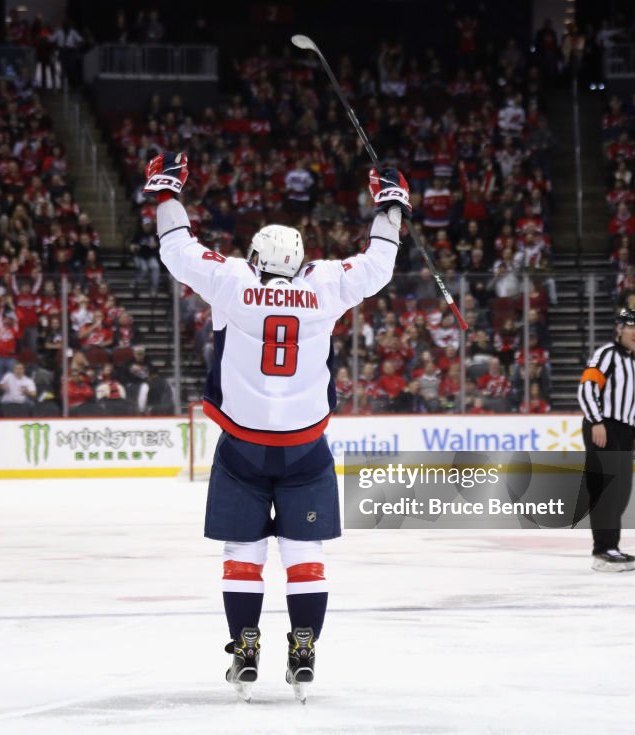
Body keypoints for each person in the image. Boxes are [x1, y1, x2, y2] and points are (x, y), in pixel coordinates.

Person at [147, 151, 406, 700]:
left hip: (242, 447)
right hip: (306, 448)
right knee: (304, 553)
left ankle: (245, 646)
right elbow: (379, 264)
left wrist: (167, 190)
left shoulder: (232, 281)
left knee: (242, 554)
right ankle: (304, 645)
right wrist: (390, 204)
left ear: (256, 255)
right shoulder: (326, 285)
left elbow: (176, 249)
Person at [577, 308, 635, 572]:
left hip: (624, 431)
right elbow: (587, 388)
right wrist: (596, 421)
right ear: (619, 329)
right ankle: (602, 550)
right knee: (605, 490)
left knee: (621, 492)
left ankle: (612, 546)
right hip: (603, 427)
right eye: (630, 327)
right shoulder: (607, 354)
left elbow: (633, 404)